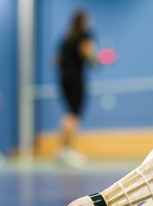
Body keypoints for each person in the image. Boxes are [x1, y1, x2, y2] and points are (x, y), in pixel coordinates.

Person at [56, 9, 96, 167]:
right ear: (84, 20)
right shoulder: (85, 35)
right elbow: (87, 54)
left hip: (63, 80)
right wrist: (96, 60)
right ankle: (70, 151)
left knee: (69, 115)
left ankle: (62, 151)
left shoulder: (66, 39)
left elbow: (56, 61)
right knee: (74, 115)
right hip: (76, 80)